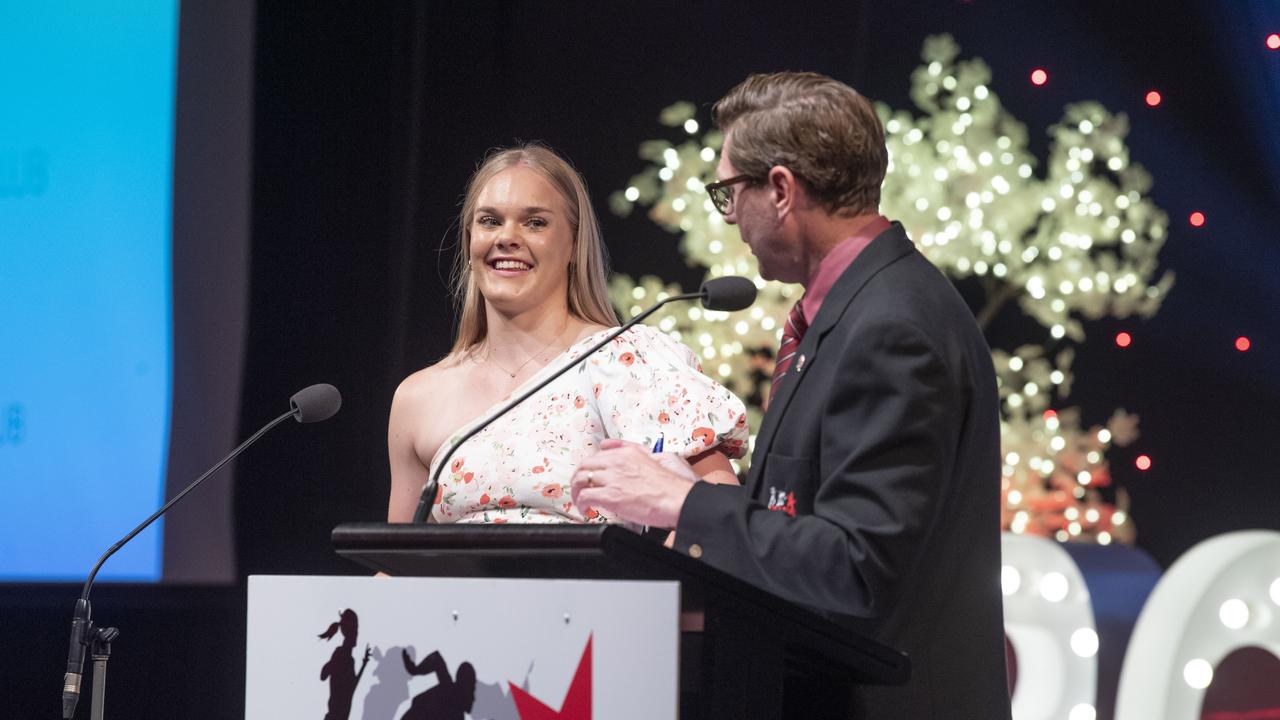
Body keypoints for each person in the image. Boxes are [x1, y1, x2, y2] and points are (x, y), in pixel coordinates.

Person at [569, 73, 1011, 717]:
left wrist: (683, 502)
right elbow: (810, 520)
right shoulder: (854, 311)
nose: (730, 220)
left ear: (779, 189)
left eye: (729, 193)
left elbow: (855, 568)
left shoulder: (893, 327)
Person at [387, 144, 747, 524]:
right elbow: (398, 568)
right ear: (469, 238)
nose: (507, 237)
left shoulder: (630, 361)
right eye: (490, 221)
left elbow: (717, 520)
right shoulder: (419, 398)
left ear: (575, 244)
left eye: (535, 222)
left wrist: (647, 583)